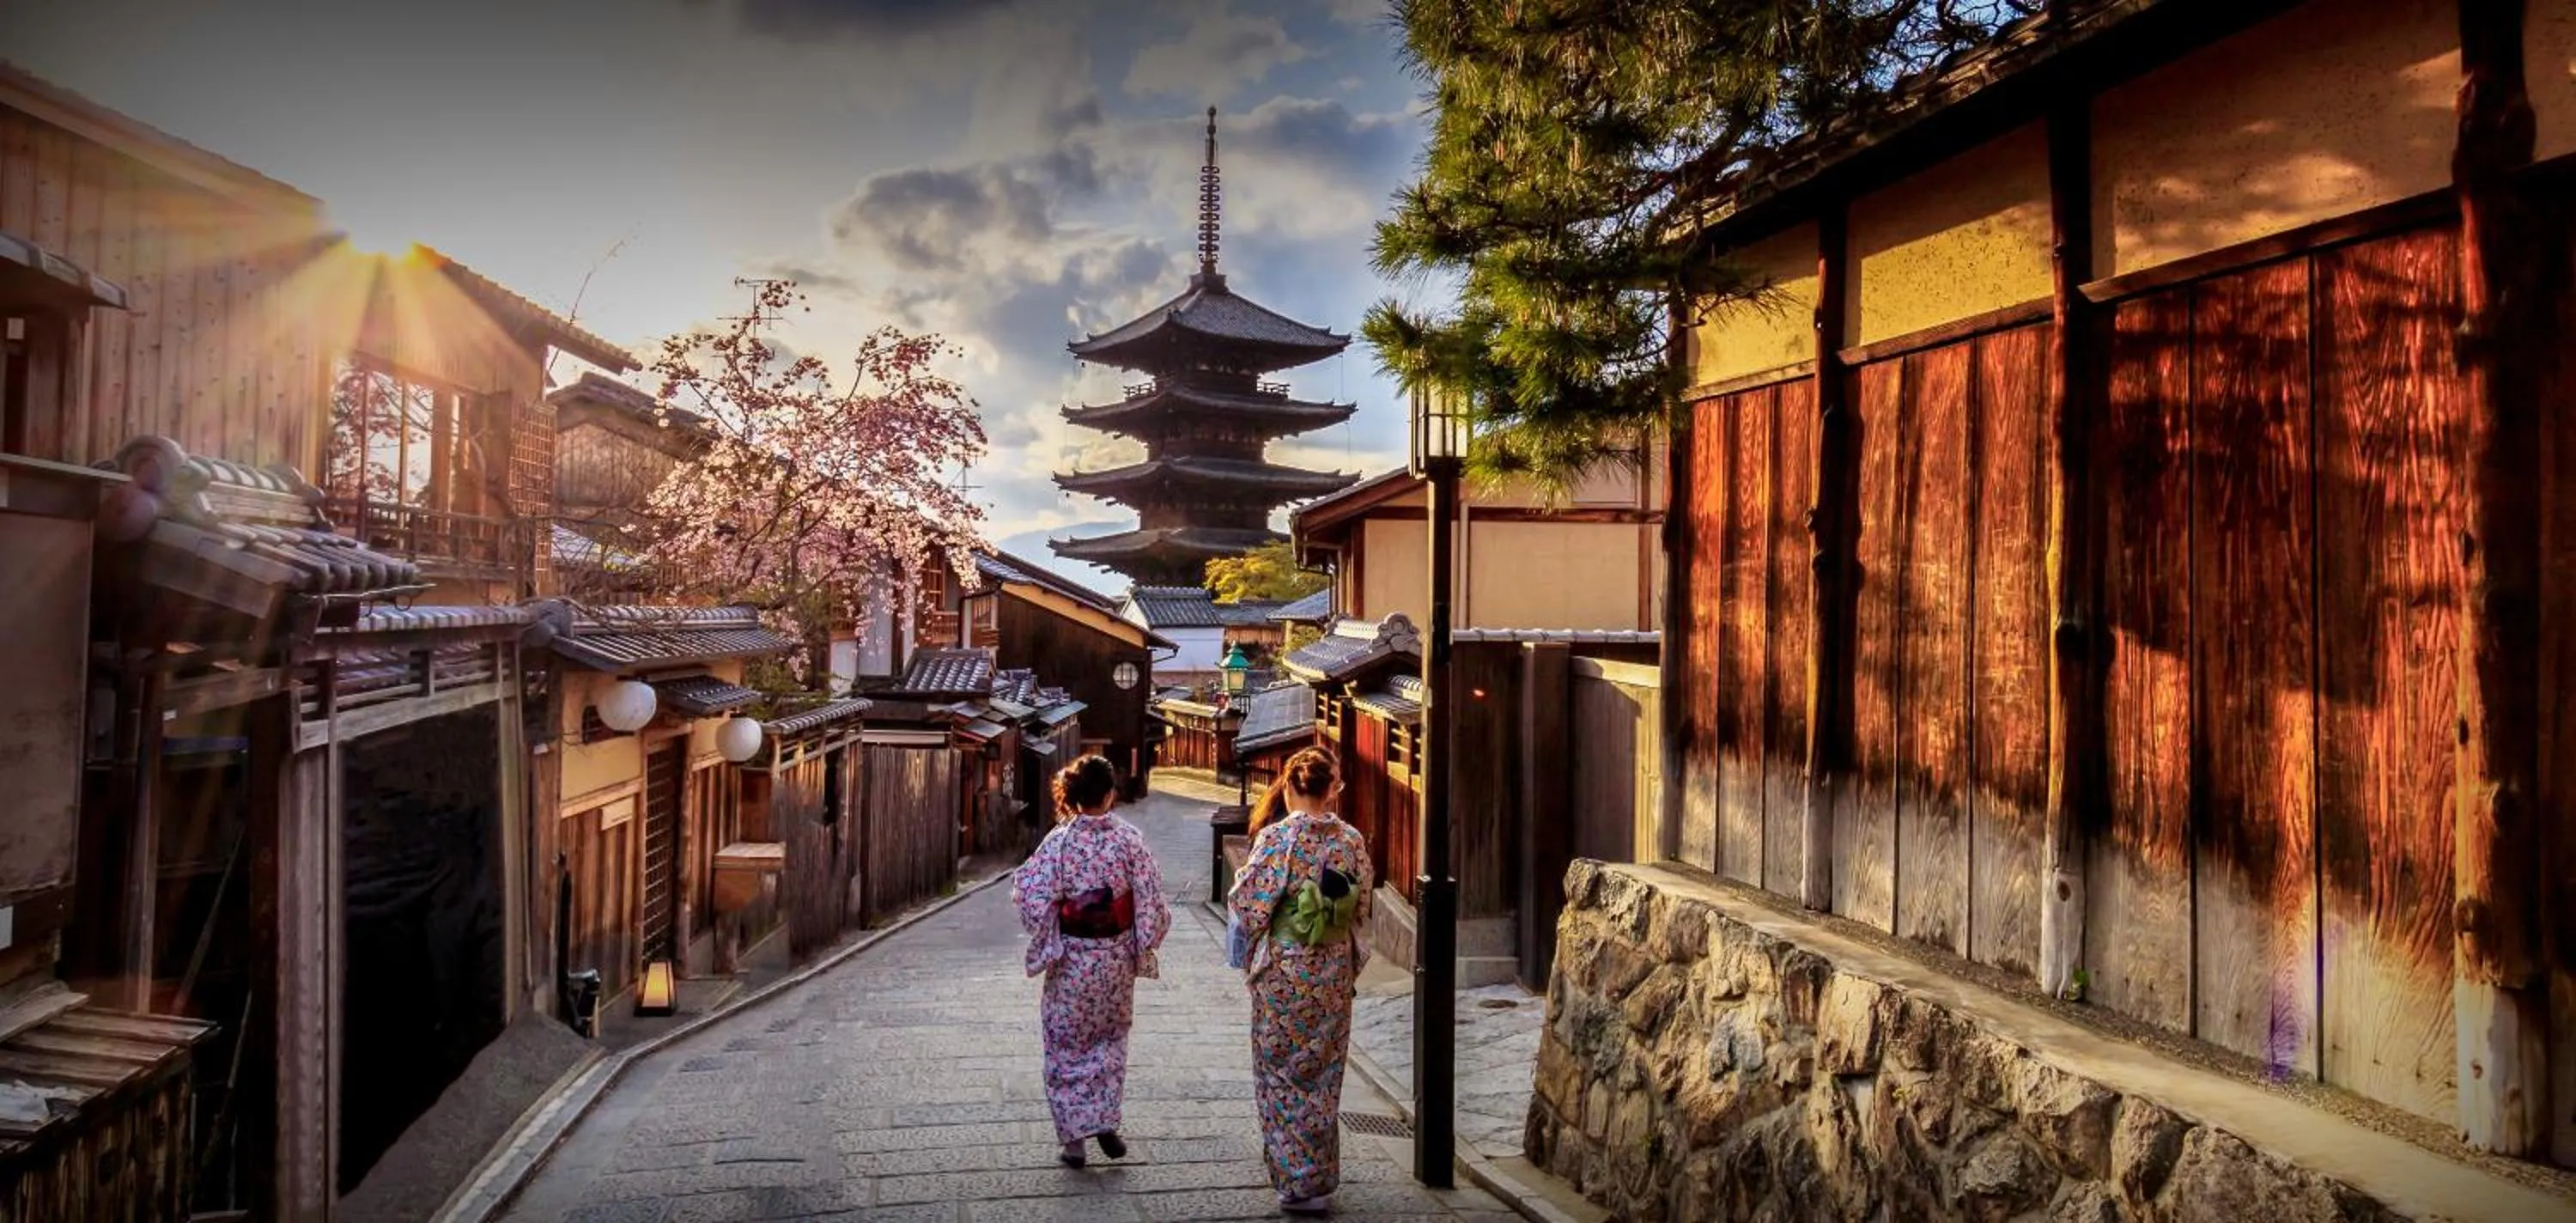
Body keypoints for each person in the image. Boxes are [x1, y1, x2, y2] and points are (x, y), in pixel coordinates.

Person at [1226, 746, 1371, 1216]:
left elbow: (1248, 905)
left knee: (1280, 1071)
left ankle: (1295, 1180)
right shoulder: (1350, 840)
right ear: (1332, 789)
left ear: (1288, 787)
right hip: (1331, 969)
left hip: (1286, 972)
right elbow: (1362, 901)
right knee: (1324, 1073)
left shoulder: (1278, 839)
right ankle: (1320, 1179)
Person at [1012, 754, 1171, 1168]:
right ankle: (1104, 1119)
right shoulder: (1129, 839)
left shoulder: (1059, 843)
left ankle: (1073, 1141)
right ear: (1110, 794)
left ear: (1074, 795)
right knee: (1110, 1039)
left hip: (1072, 958)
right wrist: (1144, 939)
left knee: (1066, 1043)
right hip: (1115, 957)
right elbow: (1151, 902)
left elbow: (1029, 894)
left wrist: (1051, 925)